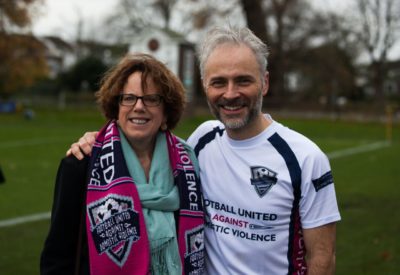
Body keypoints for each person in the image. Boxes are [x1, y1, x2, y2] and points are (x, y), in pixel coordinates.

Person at [68, 26, 341, 274]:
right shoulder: (200, 141)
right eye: (219, 82)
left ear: (265, 82)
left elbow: (322, 257)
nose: (230, 93)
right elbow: (147, 141)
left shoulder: (306, 158)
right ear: (205, 86)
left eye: (243, 81)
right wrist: (99, 141)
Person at [41, 53, 205, 275]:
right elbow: (57, 257)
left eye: (151, 98)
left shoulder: (188, 164)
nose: (139, 106)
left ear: (166, 112)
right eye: (128, 98)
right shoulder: (81, 164)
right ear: (115, 108)